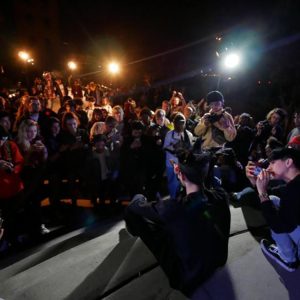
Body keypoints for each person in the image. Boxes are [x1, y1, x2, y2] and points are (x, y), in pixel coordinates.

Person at [124, 149, 230, 296]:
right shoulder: (221, 196)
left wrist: (138, 196)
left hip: (188, 280)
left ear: (181, 175)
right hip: (217, 261)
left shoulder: (174, 208)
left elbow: (138, 207)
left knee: (141, 217)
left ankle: (133, 230)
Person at [246, 147, 300, 272]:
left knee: (275, 218)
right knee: (273, 199)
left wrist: (262, 192)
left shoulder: (294, 190)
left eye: (273, 162)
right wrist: (257, 186)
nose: (268, 167)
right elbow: (275, 194)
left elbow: (278, 226)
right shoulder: (293, 184)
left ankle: (289, 259)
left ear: (288, 162)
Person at [164, 113, 194, 199]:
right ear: (174, 123)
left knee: (183, 182)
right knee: (172, 182)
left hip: (183, 164)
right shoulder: (169, 134)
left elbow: (191, 149)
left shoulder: (189, 135)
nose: (180, 125)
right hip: (171, 163)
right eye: (177, 123)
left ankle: (181, 198)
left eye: (182, 123)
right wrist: (174, 146)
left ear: (185, 123)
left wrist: (186, 149)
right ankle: (173, 199)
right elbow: (165, 147)